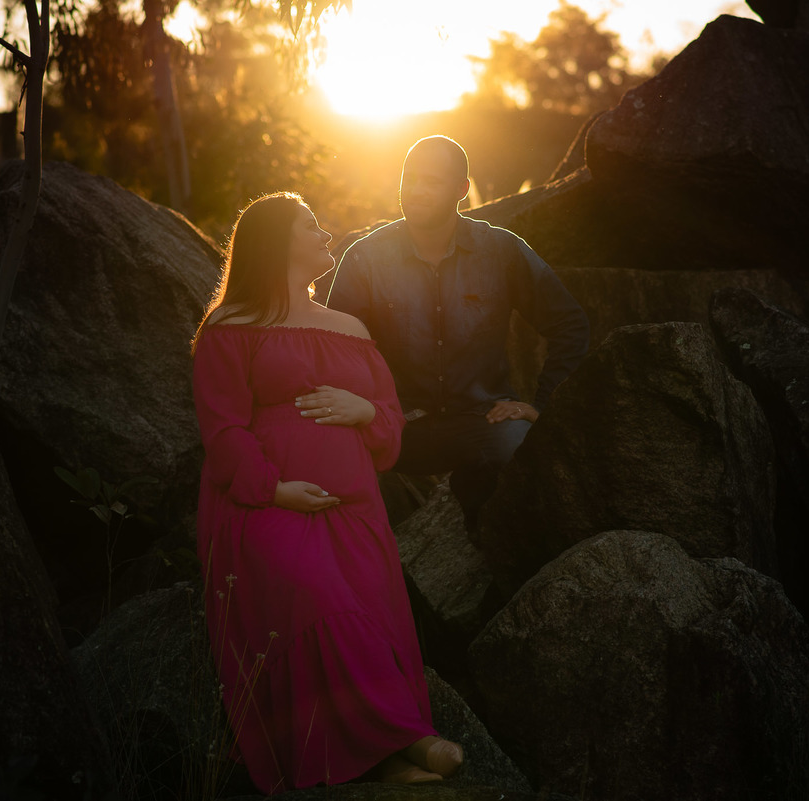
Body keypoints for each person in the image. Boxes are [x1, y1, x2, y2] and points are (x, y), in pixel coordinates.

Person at [190, 192, 464, 793]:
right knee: (320, 598)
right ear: (274, 244)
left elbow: (389, 420)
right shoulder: (230, 328)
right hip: (262, 505)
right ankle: (412, 740)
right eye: (310, 225)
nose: (325, 232)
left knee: (367, 606)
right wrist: (274, 489)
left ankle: (390, 761)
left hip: (355, 506)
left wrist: (363, 407)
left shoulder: (350, 328)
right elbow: (223, 427)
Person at [327, 135, 590, 532]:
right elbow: (331, 353)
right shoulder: (365, 258)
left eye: (431, 181)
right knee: (327, 462)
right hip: (393, 424)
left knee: (531, 453)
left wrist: (543, 406)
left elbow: (570, 323)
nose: (415, 190)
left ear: (461, 190)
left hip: (482, 420)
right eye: (409, 178)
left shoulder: (500, 251)